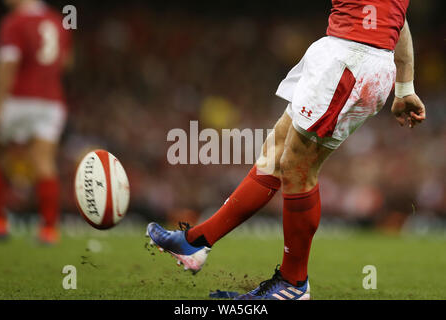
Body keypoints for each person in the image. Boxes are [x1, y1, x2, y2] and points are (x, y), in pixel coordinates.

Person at [146, 0, 426, 300]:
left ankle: (293, 283)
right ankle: (197, 241)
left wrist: (404, 84)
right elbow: (398, 18)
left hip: (353, 59)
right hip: (343, 51)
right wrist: (405, 86)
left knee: (297, 167)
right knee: (275, 155)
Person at [0, 0, 72, 244]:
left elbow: (9, 63)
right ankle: (49, 229)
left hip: (19, 98)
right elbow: (67, 61)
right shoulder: (58, 21)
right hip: (51, 101)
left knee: (1, 156)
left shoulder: (14, 22)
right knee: (44, 161)